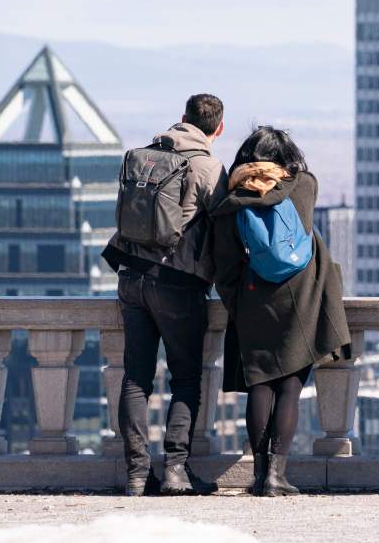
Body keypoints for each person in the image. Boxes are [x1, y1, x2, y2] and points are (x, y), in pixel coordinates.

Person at [211, 126, 353, 497]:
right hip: (301, 298)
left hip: (254, 296)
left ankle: (259, 475)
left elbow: (224, 267)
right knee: (290, 386)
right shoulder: (304, 185)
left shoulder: (230, 203)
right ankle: (277, 475)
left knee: (260, 384)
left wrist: (238, 299)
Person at [101, 94, 228, 496]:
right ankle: (176, 470)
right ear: (218, 129)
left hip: (130, 278)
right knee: (186, 379)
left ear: (181, 119)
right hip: (178, 283)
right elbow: (226, 224)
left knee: (136, 379)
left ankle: (138, 474)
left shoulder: (144, 158)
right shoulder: (208, 167)